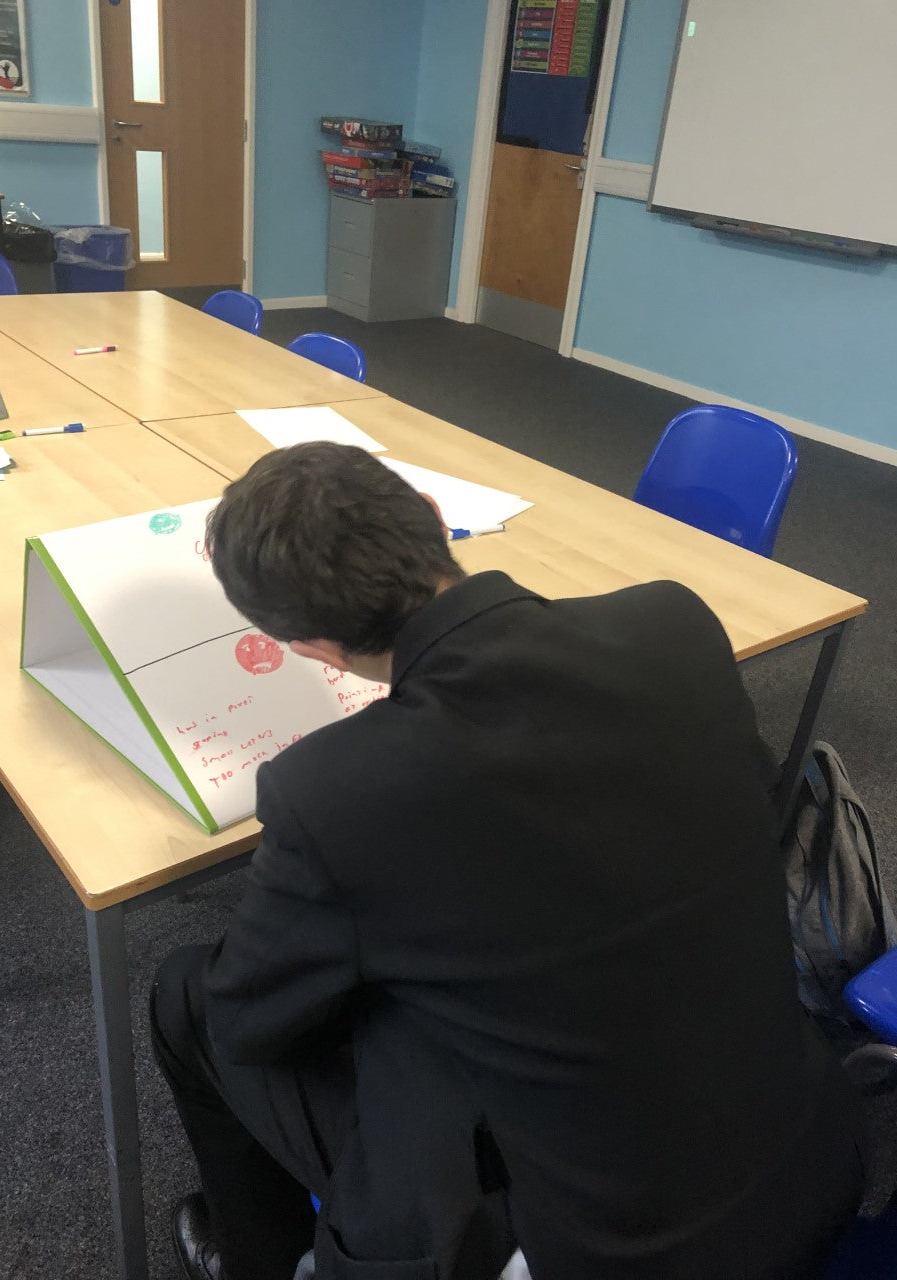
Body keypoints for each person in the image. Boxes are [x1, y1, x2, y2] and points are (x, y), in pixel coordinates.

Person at [151, 442, 868, 1280]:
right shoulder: (674, 622)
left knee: (186, 997)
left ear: (307, 646)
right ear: (432, 515)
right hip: (817, 1157)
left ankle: (258, 1260)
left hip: (618, 1253)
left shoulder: (331, 788)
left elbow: (249, 1023)